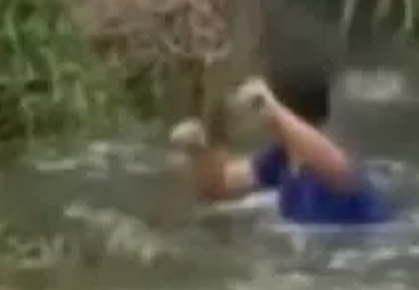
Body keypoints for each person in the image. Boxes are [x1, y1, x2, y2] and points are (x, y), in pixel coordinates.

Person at [169, 71, 395, 226]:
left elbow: (337, 168)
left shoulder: (334, 153)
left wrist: (273, 111)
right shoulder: (279, 158)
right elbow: (221, 185)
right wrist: (197, 149)